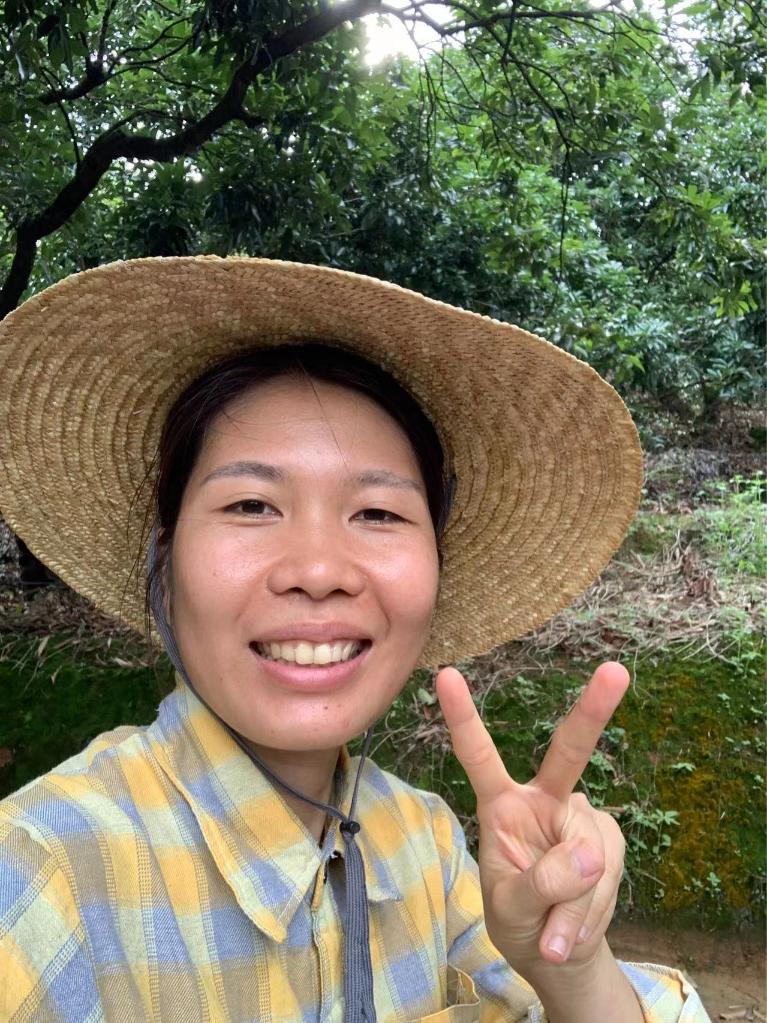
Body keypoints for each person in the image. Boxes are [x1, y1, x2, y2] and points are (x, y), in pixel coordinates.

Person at [0, 257, 709, 1022]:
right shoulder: (40, 874)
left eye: (377, 513)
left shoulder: (426, 843)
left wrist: (570, 966)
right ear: (164, 558)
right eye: (250, 504)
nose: (317, 571)